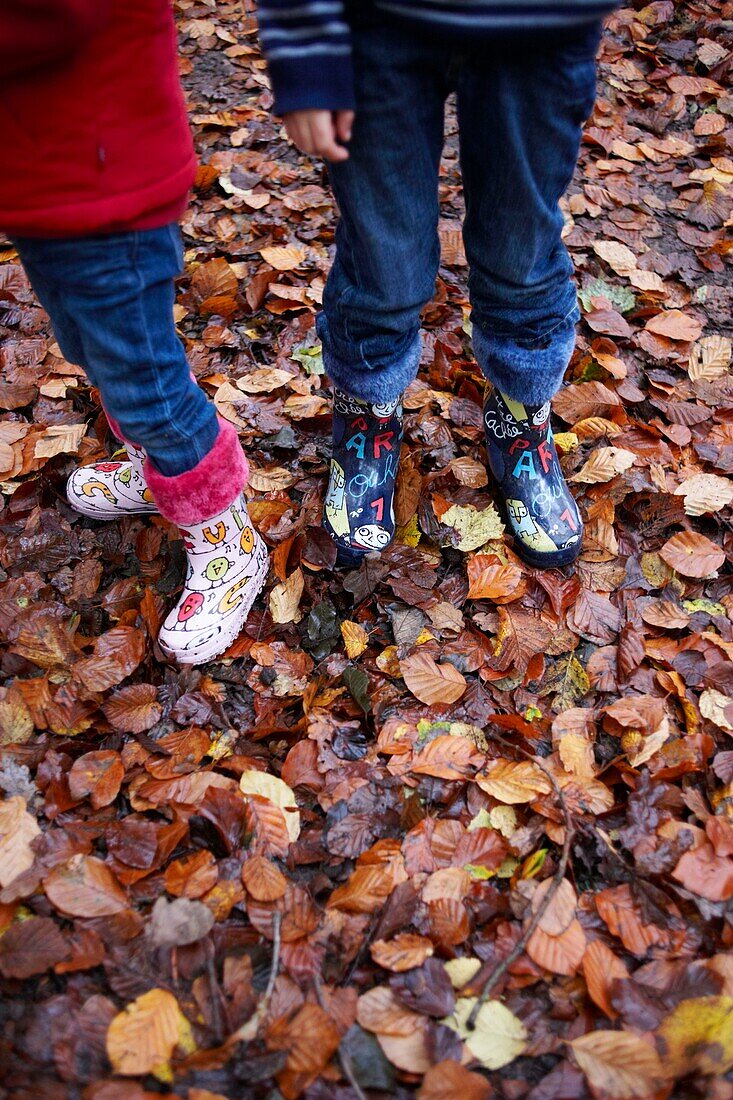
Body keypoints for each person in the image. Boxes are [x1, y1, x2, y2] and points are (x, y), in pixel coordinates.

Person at [257, 0, 618, 569]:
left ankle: (520, 418)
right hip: (373, 22)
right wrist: (302, 42)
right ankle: (368, 413)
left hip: (543, 20)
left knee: (520, 249)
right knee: (384, 255)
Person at [0, 0, 268, 664]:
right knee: (91, 350)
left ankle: (229, 542)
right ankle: (158, 471)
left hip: (103, 172)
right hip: (39, 177)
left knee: (146, 382)